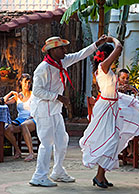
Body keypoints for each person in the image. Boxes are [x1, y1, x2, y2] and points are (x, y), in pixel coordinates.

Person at [29, 35, 108, 187]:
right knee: (46, 143)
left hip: (54, 110)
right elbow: (37, 91)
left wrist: (96, 44)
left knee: (62, 140)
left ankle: (58, 171)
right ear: (52, 50)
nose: (65, 50)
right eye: (61, 48)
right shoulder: (43, 68)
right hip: (43, 111)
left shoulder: (62, 62)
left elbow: (80, 54)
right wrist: (58, 97)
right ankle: (39, 176)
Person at [79, 37, 139, 188]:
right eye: (113, 55)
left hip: (111, 105)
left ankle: (101, 176)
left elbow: (109, 86)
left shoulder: (106, 68)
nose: (116, 57)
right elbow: (119, 47)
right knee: (110, 140)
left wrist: (119, 91)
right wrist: (112, 39)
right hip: (106, 107)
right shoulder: (103, 66)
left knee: (113, 140)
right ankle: (99, 176)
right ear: (107, 55)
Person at [3, 73, 36, 162]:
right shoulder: (18, 96)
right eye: (25, 82)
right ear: (21, 83)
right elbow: (3, 102)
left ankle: (31, 153)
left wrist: (33, 116)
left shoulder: (34, 95)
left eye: (29, 83)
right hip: (20, 120)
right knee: (6, 129)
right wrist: (11, 93)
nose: (27, 85)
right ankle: (18, 150)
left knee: (24, 125)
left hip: (32, 119)